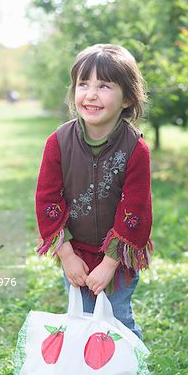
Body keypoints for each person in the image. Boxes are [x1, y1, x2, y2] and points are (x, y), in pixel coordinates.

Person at [35, 44, 153, 340]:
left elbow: (135, 209)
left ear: (127, 97)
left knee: (117, 320)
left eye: (104, 86)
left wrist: (110, 264)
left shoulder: (135, 149)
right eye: (83, 84)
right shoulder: (58, 142)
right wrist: (66, 255)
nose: (90, 94)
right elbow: (48, 200)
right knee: (81, 318)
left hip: (117, 257)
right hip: (75, 252)